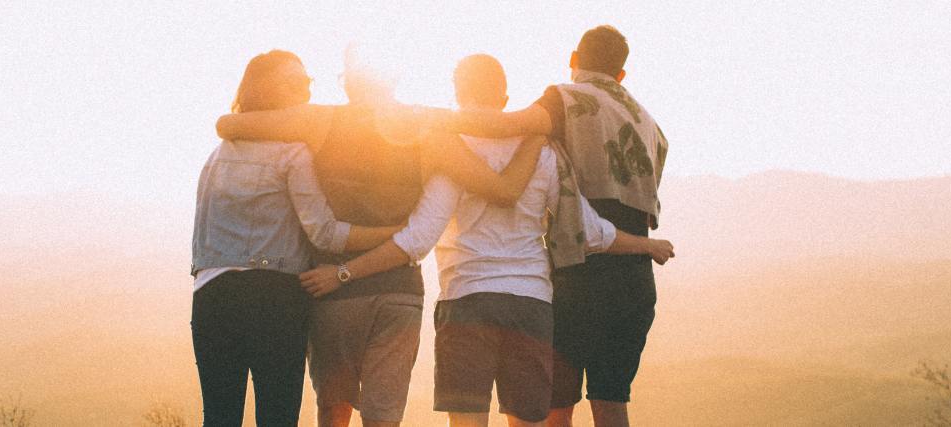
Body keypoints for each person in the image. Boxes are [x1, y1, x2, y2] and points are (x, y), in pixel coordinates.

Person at [298, 54, 674, 427]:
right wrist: (647, 245)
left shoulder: (452, 153)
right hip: (529, 303)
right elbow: (588, 231)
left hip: (466, 301)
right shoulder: (544, 152)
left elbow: (418, 239)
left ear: (457, 94)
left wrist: (345, 272)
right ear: (505, 99)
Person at [215, 47, 545, 427]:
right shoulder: (428, 128)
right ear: (394, 78)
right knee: (384, 418)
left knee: (333, 412)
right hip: (399, 292)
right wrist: (538, 130)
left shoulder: (319, 121)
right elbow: (502, 189)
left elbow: (229, 125)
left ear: (348, 80)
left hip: (333, 293)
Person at [435, 26, 670, 427]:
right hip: (633, 279)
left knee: (556, 408)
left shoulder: (566, 99)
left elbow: (505, 126)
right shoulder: (650, 125)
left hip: (576, 276)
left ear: (574, 59)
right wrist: (648, 246)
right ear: (621, 74)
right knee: (612, 402)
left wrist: (424, 119)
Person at [190, 50, 403, 427]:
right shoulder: (293, 153)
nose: (306, 89)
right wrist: (394, 234)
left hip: (211, 295)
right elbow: (324, 232)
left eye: (308, 81)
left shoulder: (216, 156)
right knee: (278, 416)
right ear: (268, 89)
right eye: (296, 82)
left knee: (219, 416)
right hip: (275, 297)